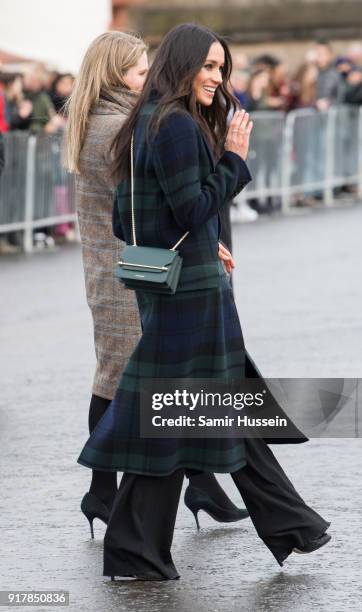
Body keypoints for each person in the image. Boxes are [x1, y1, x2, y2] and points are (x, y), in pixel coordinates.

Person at [77, 23, 331, 581]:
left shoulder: (145, 122)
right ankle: (138, 546)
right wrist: (234, 161)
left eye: (223, 68)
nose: (217, 78)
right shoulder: (175, 126)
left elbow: (129, 217)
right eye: (209, 67)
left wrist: (198, 234)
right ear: (183, 64)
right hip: (191, 295)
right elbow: (193, 207)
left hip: (174, 287)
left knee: (213, 407)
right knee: (182, 413)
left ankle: (288, 523)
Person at [65, 30, 247, 538]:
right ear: (115, 74)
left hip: (118, 263)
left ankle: (168, 485)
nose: (151, 78)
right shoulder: (123, 123)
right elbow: (159, 202)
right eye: (141, 71)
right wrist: (201, 238)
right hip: (140, 264)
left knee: (128, 376)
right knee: (133, 381)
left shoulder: (98, 118)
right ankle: (112, 490)